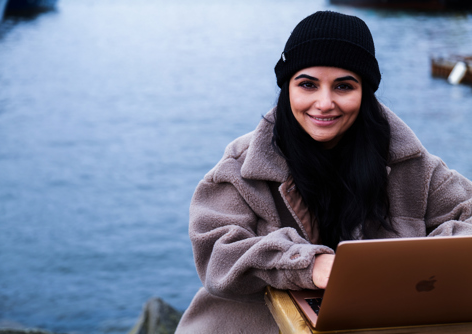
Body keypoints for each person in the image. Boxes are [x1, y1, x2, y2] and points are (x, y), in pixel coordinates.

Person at [175, 10, 472, 334]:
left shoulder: (414, 166)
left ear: (365, 92)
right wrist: (310, 265)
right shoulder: (242, 168)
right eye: (308, 85)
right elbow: (216, 253)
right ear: (287, 88)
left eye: (344, 86)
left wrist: (420, 260)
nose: (324, 102)